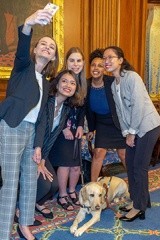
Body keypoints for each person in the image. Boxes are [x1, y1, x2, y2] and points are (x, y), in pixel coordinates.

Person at [0, 9, 59, 240]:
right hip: (12, 127)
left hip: (30, 132)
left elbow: (43, 118)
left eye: (51, 47)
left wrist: (38, 146)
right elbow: (22, 45)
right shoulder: (23, 67)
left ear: (53, 57)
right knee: (10, 182)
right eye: (43, 44)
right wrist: (28, 23)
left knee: (29, 180)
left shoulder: (46, 84)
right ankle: (4, 232)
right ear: (35, 50)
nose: (46, 47)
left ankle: (24, 225)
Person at [103, 46, 160, 221]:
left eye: (111, 57)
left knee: (139, 167)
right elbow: (120, 112)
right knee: (130, 163)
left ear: (121, 60)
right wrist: (125, 132)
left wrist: (132, 133)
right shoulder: (114, 85)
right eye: (104, 58)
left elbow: (138, 106)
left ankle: (138, 207)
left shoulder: (132, 77)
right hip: (133, 129)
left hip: (147, 126)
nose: (107, 61)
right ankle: (139, 200)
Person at [34, 70, 81, 219]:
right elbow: (39, 128)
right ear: (58, 83)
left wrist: (43, 160)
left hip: (42, 151)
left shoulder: (65, 108)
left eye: (72, 83)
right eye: (65, 81)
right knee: (44, 184)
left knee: (53, 185)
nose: (68, 85)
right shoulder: (47, 100)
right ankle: (21, 209)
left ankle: (37, 202)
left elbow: (52, 137)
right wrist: (38, 159)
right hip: (31, 147)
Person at [49, 47, 87, 211]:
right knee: (65, 164)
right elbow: (55, 105)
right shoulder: (61, 79)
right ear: (66, 62)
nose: (75, 63)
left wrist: (80, 126)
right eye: (72, 60)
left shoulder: (82, 83)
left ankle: (72, 191)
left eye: (78, 60)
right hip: (62, 130)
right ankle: (62, 194)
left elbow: (81, 108)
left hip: (75, 129)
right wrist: (64, 127)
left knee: (76, 165)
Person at [85, 49, 126, 182]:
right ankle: (92, 185)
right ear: (90, 67)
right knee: (98, 153)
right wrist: (91, 129)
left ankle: (135, 183)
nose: (96, 68)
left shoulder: (112, 81)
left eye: (100, 65)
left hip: (117, 122)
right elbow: (87, 111)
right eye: (93, 65)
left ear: (104, 69)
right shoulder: (86, 85)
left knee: (123, 154)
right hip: (102, 124)